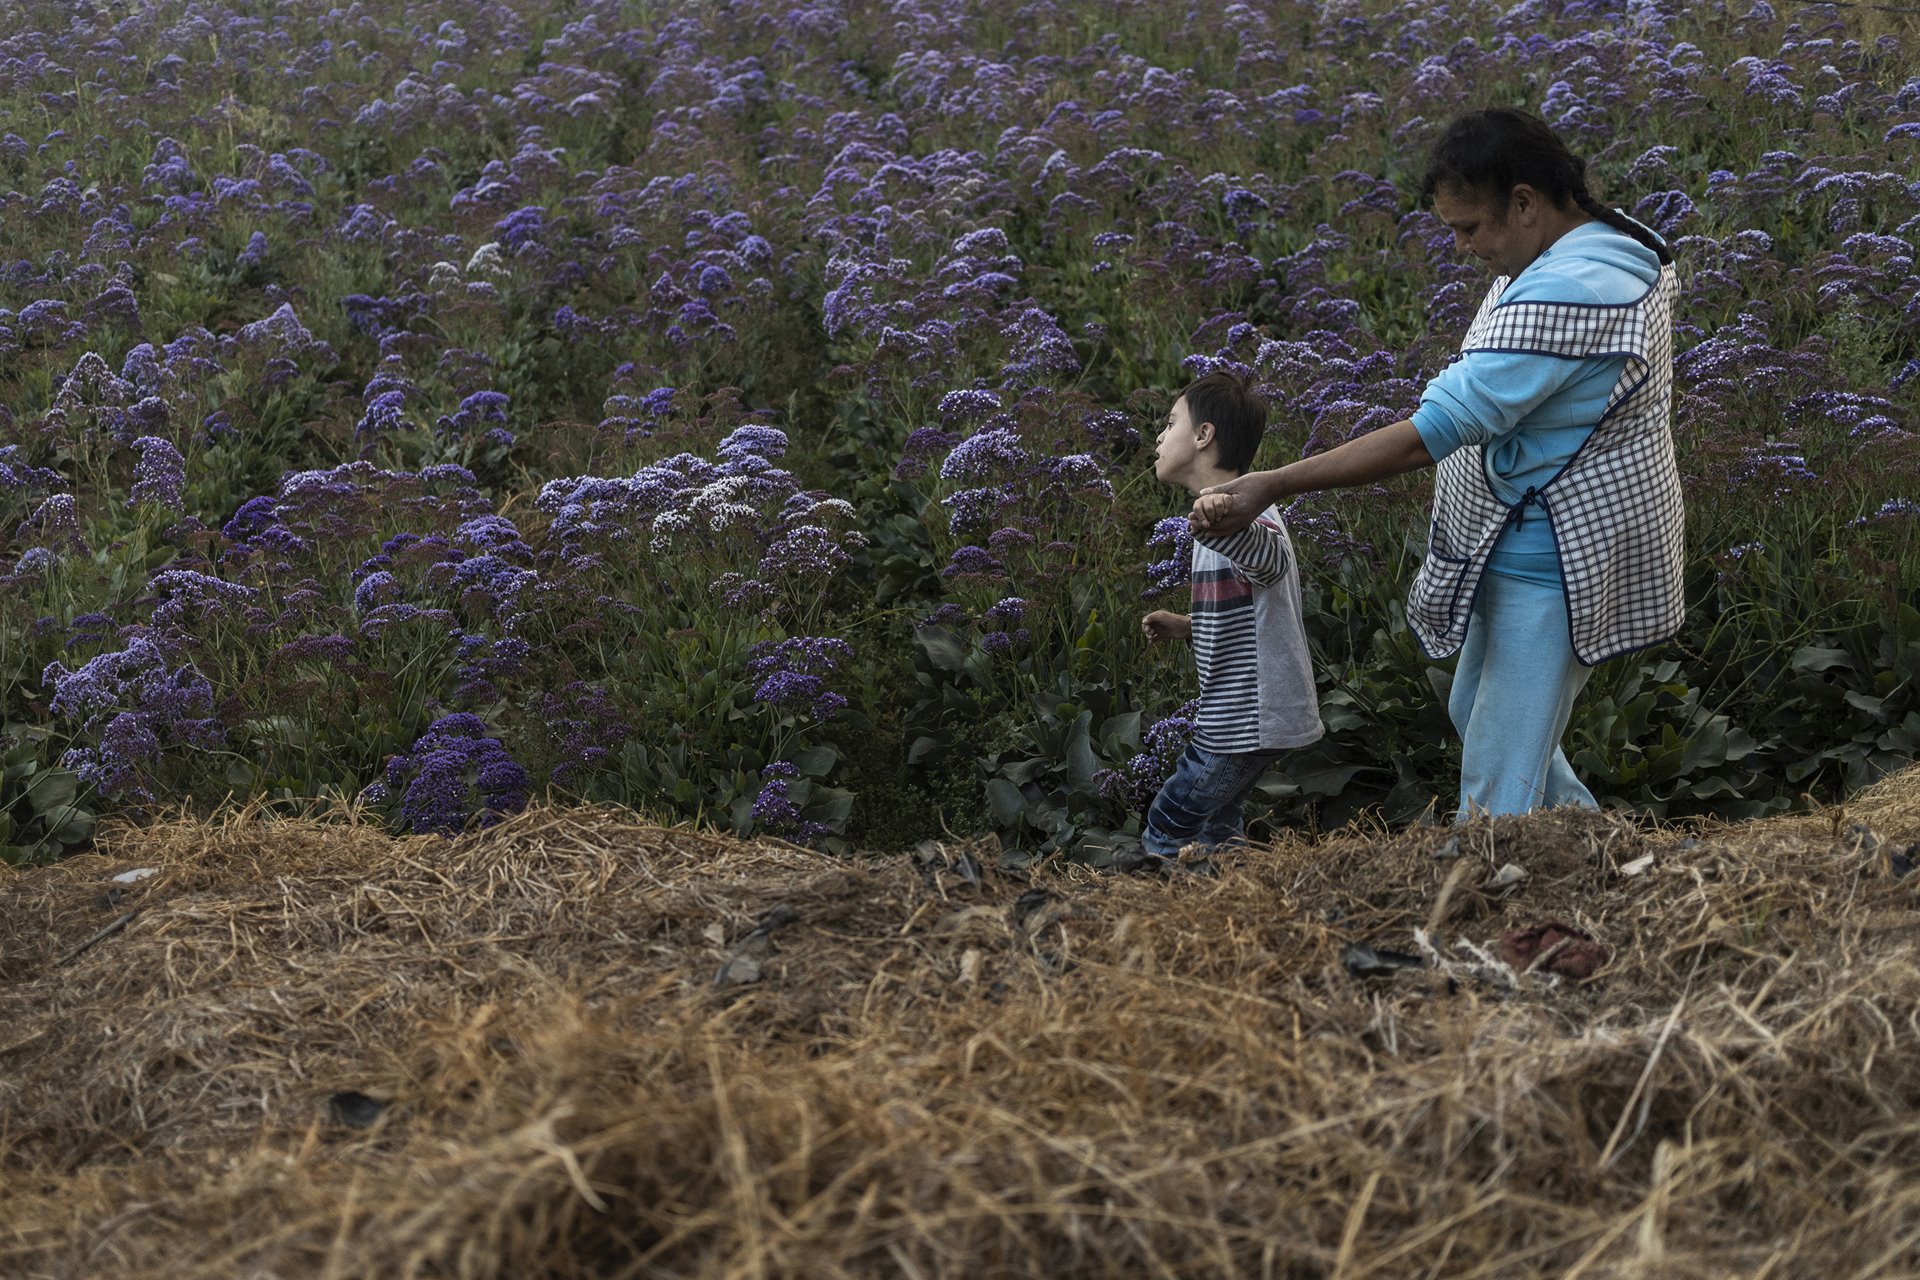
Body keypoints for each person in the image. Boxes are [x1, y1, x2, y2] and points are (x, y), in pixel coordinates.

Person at [1190, 107, 1681, 820]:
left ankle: (1489, 892)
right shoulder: (1607, 242)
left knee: (1499, 774)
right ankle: (1596, 848)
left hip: (1554, 552)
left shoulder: (1572, 289)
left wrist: (1273, 482)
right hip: (1522, 534)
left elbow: (1430, 435)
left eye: (1469, 227)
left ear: (1525, 202)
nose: (1459, 246)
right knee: (1477, 711)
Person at [1138, 371, 1324, 863]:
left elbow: (1270, 561)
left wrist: (1222, 521)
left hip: (1246, 718)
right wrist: (1188, 625)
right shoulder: (1218, 518)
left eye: (1171, 422)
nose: (1160, 435)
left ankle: (1169, 921)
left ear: (1204, 436)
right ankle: (1234, 908)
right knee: (1218, 828)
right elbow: (1255, 610)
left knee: (1169, 825)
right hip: (1243, 715)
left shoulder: (1244, 517)